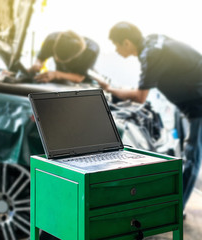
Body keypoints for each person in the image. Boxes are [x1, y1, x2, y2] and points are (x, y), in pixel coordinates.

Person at [94, 21, 202, 209]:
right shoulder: (153, 44)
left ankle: (175, 209)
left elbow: (139, 96)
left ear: (127, 42)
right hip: (186, 104)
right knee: (185, 155)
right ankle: (173, 200)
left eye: (117, 45)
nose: (117, 50)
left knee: (192, 157)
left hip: (197, 105)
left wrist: (110, 89)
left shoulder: (151, 55)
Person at [29, 30, 99, 84]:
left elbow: (80, 77)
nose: (56, 59)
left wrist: (56, 74)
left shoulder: (91, 51)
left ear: (76, 55)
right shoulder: (51, 39)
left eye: (61, 59)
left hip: (81, 81)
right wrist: (37, 65)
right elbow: (41, 58)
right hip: (59, 79)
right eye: (56, 55)